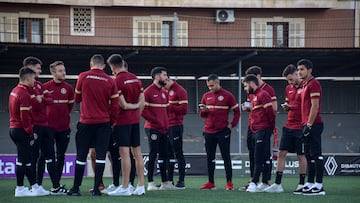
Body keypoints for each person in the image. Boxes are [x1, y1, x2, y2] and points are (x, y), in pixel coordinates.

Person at [67, 54, 120, 196]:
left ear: (91, 64)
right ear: (103, 66)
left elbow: (76, 98)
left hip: (86, 122)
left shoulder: (83, 76)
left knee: (81, 156)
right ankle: (97, 189)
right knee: (101, 156)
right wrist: (111, 121)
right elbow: (115, 106)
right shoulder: (110, 80)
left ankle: (76, 188)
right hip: (103, 124)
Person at [106, 54, 145, 196]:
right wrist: (137, 113)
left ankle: (125, 186)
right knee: (137, 154)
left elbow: (122, 105)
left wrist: (131, 107)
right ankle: (141, 186)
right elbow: (143, 101)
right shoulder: (136, 78)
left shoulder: (116, 80)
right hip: (135, 121)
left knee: (124, 154)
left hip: (122, 122)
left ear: (112, 66)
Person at [264, 64, 307, 194]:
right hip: (289, 126)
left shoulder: (306, 87)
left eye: (291, 79)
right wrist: (287, 106)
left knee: (301, 155)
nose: (290, 82)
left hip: (301, 127)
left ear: (296, 74)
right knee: (281, 153)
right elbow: (290, 103)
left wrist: (292, 107)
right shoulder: (288, 88)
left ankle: (301, 184)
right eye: (288, 80)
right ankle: (277, 184)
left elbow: (307, 107)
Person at [9, 67, 48, 197]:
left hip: (14, 128)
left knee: (27, 160)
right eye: (32, 78)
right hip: (20, 130)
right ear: (27, 78)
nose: (34, 80)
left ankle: (35, 186)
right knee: (22, 160)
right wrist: (29, 132)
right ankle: (20, 188)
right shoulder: (24, 94)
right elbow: (24, 116)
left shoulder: (15, 90)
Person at [199, 74, 240, 190]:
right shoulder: (206, 96)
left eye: (212, 85)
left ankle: (229, 183)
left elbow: (237, 112)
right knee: (209, 157)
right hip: (208, 131)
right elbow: (202, 115)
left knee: (225, 156)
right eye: (208, 86)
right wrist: (205, 110)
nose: (210, 88)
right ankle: (211, 182)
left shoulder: (228, 95)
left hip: (222, 131)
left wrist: (232, 125)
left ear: (218, 83)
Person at [23, 57, 56, 196]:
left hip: (45, 125)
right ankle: (34, 186)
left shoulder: (39, 85)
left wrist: (41, 99)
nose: (40, 71)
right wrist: (41, 100)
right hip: (34, 126)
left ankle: (55, 186)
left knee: (50, 155)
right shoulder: (26, 87)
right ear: (30, 68)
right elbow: (34, 105)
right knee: (33, 157)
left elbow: (50, 100)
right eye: (38, 68)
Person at [241, 66, 277, 191]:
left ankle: (254, 183)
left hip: (263, 129)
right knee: (262, 156)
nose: (245, 89)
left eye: (245, 86)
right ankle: (264, 182)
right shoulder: (256, 96)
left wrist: (270, 128)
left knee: (259, 157)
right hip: (255, 129)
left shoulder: (264, 94)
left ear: (251, 83)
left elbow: (271, 112)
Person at [43, 61, 74, 194]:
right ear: (53, 73)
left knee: (61, 156)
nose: (64, 73)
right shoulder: (45, 87)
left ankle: (57, 184)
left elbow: (70, 107)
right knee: (47, 156)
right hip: (48, 128)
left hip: (64, 128)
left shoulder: (68, 88)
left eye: (64, 70)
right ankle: (52, 185)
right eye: (60, 71)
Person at [297, 59, 325, 195]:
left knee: (316, 155)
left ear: (309, 70)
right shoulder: (304, 85)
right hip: (306, 124)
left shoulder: (314, 84)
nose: (299, 72)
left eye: (302, 69)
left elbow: (315, 106)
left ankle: (319, 185)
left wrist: (309, 124)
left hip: (314, 124)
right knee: (308, 155)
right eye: (298, 69)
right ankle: (309, 183)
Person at [142, 67, 172, 191]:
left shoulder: (164, 93)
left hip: (164, 129)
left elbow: (167, 111)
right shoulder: (148, 92)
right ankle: (150, 182)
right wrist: (155, 121)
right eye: (165, 75)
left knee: (164, 154)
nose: (167, 77)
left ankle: (164, 182)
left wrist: (165, 123)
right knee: (153, 154)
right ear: (157, 76)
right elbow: (143, 111)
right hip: (152, 128)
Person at [164, 78, 188, 189]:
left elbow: (184, 109)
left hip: (176, 125)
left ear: (169, 80)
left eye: (165, 84)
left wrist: (170, 106)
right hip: (165, 125)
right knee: (168, 153)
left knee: (178, 153)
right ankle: (169, 181)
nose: (164, 86)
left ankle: (181, 180)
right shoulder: (164, 91)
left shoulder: (180, 90)